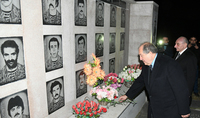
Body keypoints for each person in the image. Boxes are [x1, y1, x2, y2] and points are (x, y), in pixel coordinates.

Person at [119, 42, 190, 118]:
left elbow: (181, 89)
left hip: (169, 110)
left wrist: (184, 110)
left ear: (150, 53)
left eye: (141, 55)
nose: (140, 59)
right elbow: (141, 81)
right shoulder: (147, 64)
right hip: (153, 108)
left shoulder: (170, 65)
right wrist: (127, 95)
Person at [174, 36, 197, 104]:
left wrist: (188, 93)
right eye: (175, 44)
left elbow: (191, 77)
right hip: (176, 87)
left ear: (185, 45)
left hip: (183, 89)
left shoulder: (190, 57)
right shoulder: (178, 53)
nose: (175, 46)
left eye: (178, 44)